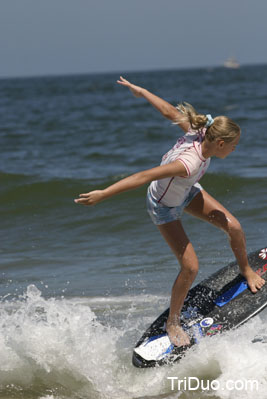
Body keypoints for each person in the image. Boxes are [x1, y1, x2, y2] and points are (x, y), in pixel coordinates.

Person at [74, 76, 265, 347]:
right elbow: (144, 175)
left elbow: (168, 111)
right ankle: (172, 322)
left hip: (186, 191)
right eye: (234, 145)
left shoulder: (201, 132)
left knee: (233, 226)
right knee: (190, 267)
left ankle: (246, 270)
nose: (236, 149)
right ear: (220, 143)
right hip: (163, 206)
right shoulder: (187, 163)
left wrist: (141, 91)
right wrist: (104, 193)